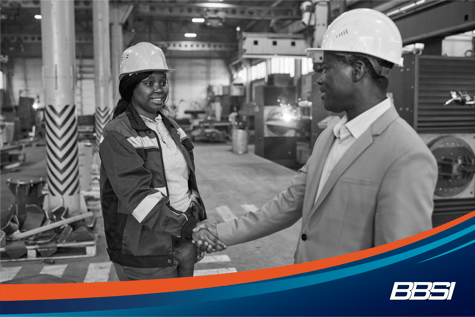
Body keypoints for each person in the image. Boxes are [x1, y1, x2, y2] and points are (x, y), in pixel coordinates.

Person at [194, 9, 438, 262]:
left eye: (327, 68)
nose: (320, 80)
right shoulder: (330, 136)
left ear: (358, 70)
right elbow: (289, 203)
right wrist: (219, 232)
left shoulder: (405, 155)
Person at [99, 42, 224, 281]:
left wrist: (199, 222)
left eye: (163, 82)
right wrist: (190, 228)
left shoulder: (170, 127)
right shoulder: (118, 133)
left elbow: (186, 184)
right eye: (149, 83)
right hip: (145, 249)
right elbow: (138, 196)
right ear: (130, 87)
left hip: (183, 241)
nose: (159, 89)